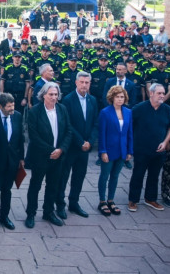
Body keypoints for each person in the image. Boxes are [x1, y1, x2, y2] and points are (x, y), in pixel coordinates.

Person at [24, 82, 71, 228]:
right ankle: (31, 214)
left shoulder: (62, 109)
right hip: (41, 157)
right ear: (43, 95)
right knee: (35, 186)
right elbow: (34, 136)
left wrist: (61, 150)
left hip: (58, 156)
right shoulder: (34, 112)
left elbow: (69, 131)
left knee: (53, 186)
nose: (54, 97)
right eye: (51, 94)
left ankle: (48, 212)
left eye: (56, 94)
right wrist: (51, 150)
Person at [127, 84, 170, 212]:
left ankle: (150, 199)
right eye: (159, 93)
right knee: (138, 174)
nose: (162, 96)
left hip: (159, 150)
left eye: (163, 93)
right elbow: (128, 125)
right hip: (141, 149)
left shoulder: (166, 109)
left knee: (154, 176)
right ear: (151, 93)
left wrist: (165, 142)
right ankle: (133, 200)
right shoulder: (139, 108)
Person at [58, 72, 98, 218]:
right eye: (81, 82)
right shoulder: (68, 100)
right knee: (63, 176)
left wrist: (90, 142)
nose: (84, 85)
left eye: (87, 83)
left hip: (85, 147)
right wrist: (81, 142)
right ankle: (60, 205)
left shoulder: (93, 100)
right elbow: (68, 124)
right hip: (71, 146)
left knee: (79, 176)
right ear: (76, 82)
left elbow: (95, 123)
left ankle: (74, 203)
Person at [0, 93, 24, 231]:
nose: (12, 108)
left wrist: (21, 158)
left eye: (13, 105)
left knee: (7, 190)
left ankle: (4, 216)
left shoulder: (17, 116)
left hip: (13, 161)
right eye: (9, 106)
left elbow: (20, 138)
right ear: (0, 106)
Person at [96, 85, 133, 216]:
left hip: (122, 150)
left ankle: (110, 200)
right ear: (112, 98)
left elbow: (130, 133)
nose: (120, 99)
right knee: (105, 176)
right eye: (117, 97)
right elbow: (102, 134)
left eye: (122, 97)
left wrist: (130, 151)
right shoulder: (105, 112)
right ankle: (102, 201)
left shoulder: (128, 112)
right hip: (109, 149)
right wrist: (103, 152)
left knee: (115, 176)